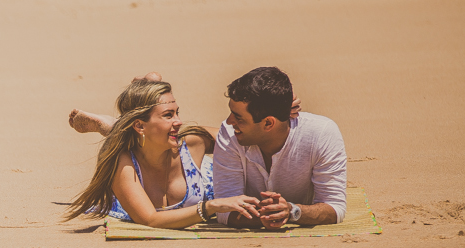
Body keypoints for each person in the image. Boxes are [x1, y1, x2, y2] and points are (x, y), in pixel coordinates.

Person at [64, 76, 265, 229]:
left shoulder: (192, 142)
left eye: (177, 112)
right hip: (138, 139)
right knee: (125, 140)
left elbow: (241, 135)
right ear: (140, 126)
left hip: (144, 135)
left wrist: (277, 112)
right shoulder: (124, 162)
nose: (178, 121)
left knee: (146, 134)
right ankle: (114, 127)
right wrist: (210, 207)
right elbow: (149, 219)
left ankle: (116, 124)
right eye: (168, 115)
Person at [213, 66, 346, 228]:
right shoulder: (229, 134)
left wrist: (292, 211)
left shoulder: (321, 133)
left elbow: (335, 207)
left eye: (239, 118)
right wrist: (266, 217)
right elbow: (223, 210)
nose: (229, 121)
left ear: (268, 123)